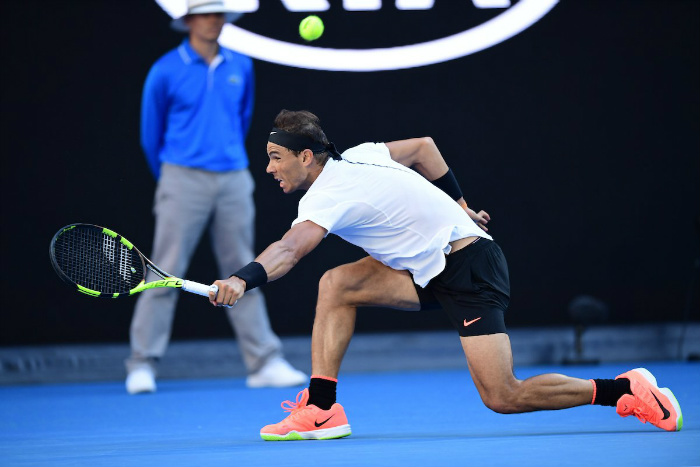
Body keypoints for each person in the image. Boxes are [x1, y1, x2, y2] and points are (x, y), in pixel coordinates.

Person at [209, 110, 683, 440]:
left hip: (469, 267)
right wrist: (461, 205)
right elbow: (424, 148)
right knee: (337, 284)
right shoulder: (363, 153)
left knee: (503, 396)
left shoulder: (325, 197)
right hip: (425, 267)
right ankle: (321, 408)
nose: (269, 167)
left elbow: (290, 249)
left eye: (276, 157)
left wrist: (242, 279)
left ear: (306, 156)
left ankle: (625, 390)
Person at [125, 0, 306, 394]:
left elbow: (241, 120)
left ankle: (264, 362)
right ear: (189, 20)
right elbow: (150, 135)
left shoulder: (241, 65)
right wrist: (173, 178)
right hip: (181, 178)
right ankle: (142, 362)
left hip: (233, 178)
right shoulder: (165, 70)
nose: (213, 21)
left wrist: (226, 158)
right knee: (164, 270)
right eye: (206, 14)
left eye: (218, 14)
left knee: (245, 268)